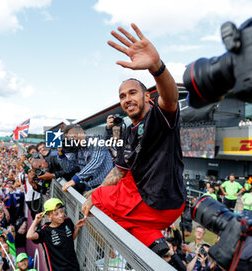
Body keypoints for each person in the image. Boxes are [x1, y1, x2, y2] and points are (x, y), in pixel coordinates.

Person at [81, 23, 186, 256]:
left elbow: (170, 99)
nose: (126, 99)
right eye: (122, 96)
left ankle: (114, 251)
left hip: (159, 201)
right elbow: (119, 171)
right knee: (107, 191)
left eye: (132, 93)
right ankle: (155, 242)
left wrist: (156, 68)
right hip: (147, 201)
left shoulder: (158, 118)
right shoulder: (129, 131)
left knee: (95, 203)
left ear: (147, 96)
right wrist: (95, 190)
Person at [27, 198, 86, 271]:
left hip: (73, 266)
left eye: (61, 211)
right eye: (56, 214)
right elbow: (29, 236)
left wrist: (76, 228)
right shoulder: (45, 231)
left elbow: (71, 238)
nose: (61, 215)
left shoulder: (67, 221)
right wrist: (36, 221)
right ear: (49, 217)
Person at [61, 124, 114, 193]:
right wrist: (60, 154)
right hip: (89, 187)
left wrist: (74, 180)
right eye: (71, 137)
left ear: (82, 131)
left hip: (106, 185)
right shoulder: (76, 147)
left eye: (74, 135)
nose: (74, 138)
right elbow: (68, 168)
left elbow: (95, 161)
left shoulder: (97, 139)